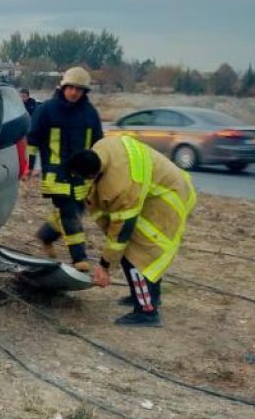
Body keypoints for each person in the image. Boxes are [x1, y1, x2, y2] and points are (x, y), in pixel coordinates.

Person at [67, 135, 195, 327]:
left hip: (167, 199)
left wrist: (105, 266)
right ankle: (146, 296)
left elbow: (121, 233)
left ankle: (147, 312)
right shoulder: (103, 146)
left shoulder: (121, 186)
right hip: (158, 188)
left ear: (92, 175)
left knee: (136, 254)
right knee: (143, 253)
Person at [26, 67, 103, 270]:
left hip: (81, 178)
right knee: (69, 213)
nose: (74, 92)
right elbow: (31, 140)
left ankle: (46, 235)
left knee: (76, 211)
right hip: (56, 174)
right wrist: (29, 165)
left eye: (79, 89)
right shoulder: (46, 110)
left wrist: (97, 173)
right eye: (71, 87)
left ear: (85, 92)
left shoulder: (90, 114)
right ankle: (79, 258)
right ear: (63, 87)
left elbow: (98, 145)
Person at [19, 88, 39, 175]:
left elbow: (35, 115)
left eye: (24, 97)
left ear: (28, 96)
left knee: (32, 149)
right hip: (22, 130)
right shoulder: (18, 104)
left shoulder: (33, 103)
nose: (22, 98)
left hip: (32, 129)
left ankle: (34, 168)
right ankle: (26, 168)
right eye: (21, 97)